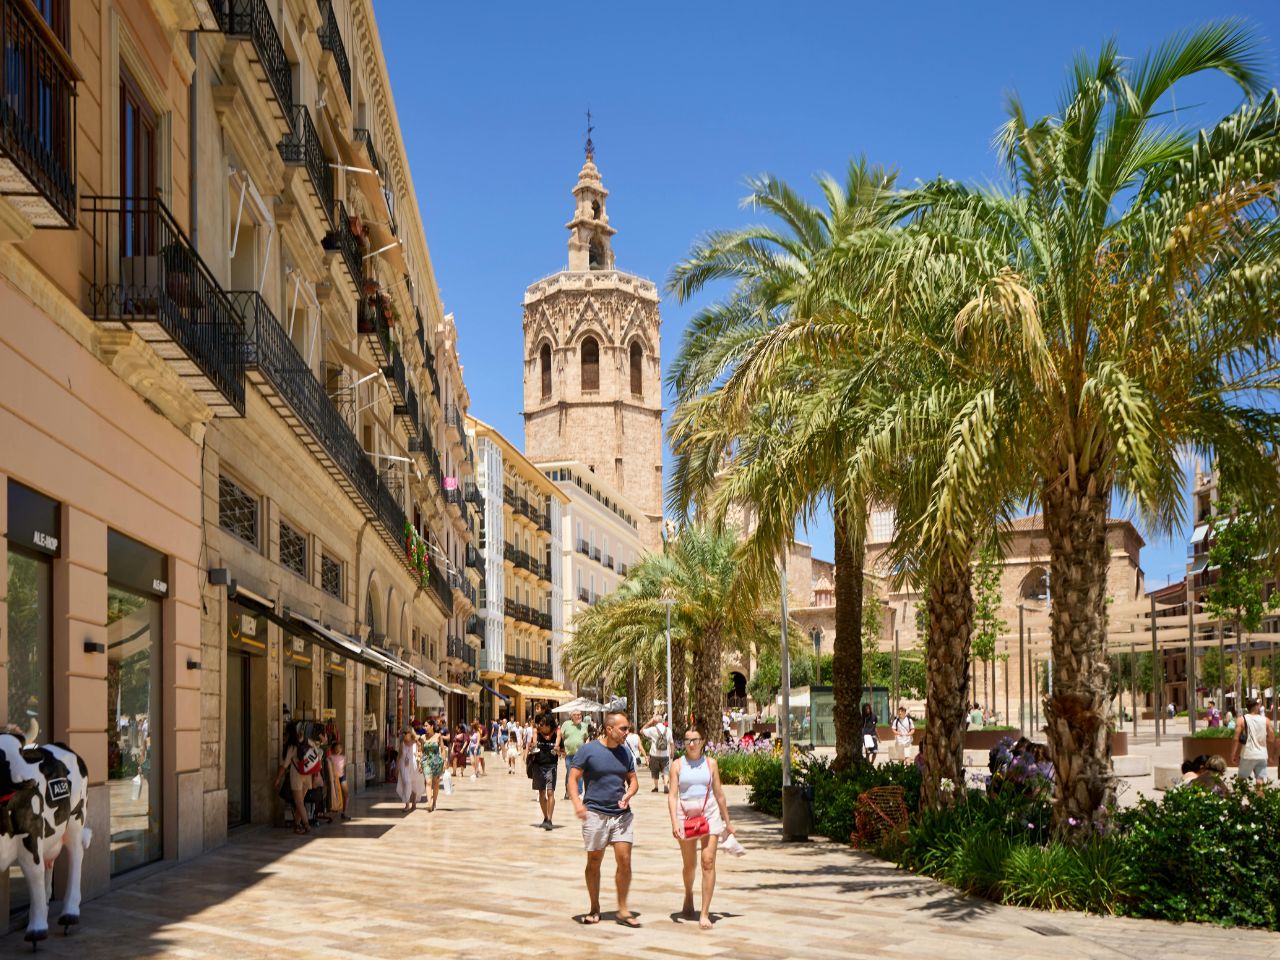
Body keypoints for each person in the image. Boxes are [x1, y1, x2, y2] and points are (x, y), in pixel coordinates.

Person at [567, 710, 640, 927]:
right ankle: (594, 907)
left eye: (628, 729)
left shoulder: (625, 753)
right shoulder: (588, 750)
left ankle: (623, 909)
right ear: (609, 729)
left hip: (621, 815)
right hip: (595, 813)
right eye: (623, 728)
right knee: (594, 861)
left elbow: (633, 781)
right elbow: (572, 779)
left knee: (624, 860)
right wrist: (577, 804)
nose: (627, 732)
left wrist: (629, 794)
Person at [667, 723, 736, 930]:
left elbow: (719, 794)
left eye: (695, 740)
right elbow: (672, 796)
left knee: (708, 861)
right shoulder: (677, 765)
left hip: (709, 813)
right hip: (686, 815)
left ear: (703, 741)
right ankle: (688, 894)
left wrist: (728, 822)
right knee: (689, 865)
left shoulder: (711, 764)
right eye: (687, 740)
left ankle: (704, 913)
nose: (691, 744)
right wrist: (674, 822)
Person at [275, 723, 312, 835]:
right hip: (308, 774)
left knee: (298, 802)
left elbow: (284, 766)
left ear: (288, 734)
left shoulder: (291, 747)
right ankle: (297, 824)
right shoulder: (306, 742)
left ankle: (306, 825)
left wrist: (277, 778)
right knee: (301, 803)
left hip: (297, 776)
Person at [1231, 697, 1275, 787]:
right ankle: (1260, 796)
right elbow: (1272, 738)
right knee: (1260, 780)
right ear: (1256, 707)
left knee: (1242, 780)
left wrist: (1233, 754)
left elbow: (1236, 739)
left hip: (1247, 754)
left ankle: (1241, 795)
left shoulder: (1241, 720)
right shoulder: (1266, 720)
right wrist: (1263, 737)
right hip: (1262, 755)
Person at [530, 713, 560, 829]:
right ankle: (545, 817)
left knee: (550, 792)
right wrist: (531, 747)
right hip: (538, 766)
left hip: (551, 766)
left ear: (548, 725)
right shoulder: (537, 733)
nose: (540, 726)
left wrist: (558, 750)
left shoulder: (556, 734)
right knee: (542, 794)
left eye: (542, 724)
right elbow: (531, 746)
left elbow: (562, 752)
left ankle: (550, 819)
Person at [557, 709, 592, 800]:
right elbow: (561, 736)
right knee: (570, 773)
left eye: (580, 714)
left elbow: (586, 738)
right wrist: (561, 749)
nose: (579, 716)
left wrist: (587, 748)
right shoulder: (566, 724)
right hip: (569, 754)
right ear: (571, 716)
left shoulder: (584, 725)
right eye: (576, 715)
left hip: (581, 754)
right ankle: (568, 792)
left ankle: (579, 792)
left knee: (579, 773)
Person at [419, 719, 447, 811]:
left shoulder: (438, 736)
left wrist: (444, 761)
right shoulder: (422, 738)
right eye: (424, 726)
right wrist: (420, 763)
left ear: (432, 726)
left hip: (437, 762)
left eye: (426, 726)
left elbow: (442, 749)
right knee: (428, 782)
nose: (425, 728)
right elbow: (421, 751)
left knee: (435, 783)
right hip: (426, 761)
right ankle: (429, 803)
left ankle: (434, 801)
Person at [395, 728, 424, 813]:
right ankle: (407, 804)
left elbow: (421, 753)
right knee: (406, 783)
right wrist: (397, 768)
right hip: (404, 766)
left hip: (414, 765)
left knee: (414, 784)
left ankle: (414, 804)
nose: (404, 735)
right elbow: (399, 756)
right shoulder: (402, 744)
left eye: (405, 733)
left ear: (410, 733)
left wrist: (420, 764)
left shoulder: (416, 743)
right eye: (403, 733)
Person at [641, 713, 672, 793]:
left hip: (654, 754)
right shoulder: (668, 730)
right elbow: (671, 742)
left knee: (655, 770)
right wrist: (672, 752)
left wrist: (649, 723)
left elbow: (641, 731)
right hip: (665, 754)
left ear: (655, 721)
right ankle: (666, 785)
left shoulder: (652, 729)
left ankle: (656, 787)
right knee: (666, 770)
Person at [329, 741, 351, 821]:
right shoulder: (330, 758)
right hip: (333, 778)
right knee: (333, 796)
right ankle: (331, 811)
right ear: (332, 750)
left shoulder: (343, 757)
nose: (338, 750)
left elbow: (343, 767)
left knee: (346, 795)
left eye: (340, 748)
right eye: (336, 748)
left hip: (341, 777)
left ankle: (344, 812)